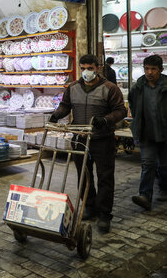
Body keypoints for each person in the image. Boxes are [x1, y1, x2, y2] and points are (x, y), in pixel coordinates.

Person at [49, 54, 126, 232]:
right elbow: (65, 105)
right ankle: (90, 207)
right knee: (84, 175)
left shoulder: (109, 88)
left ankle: (105, 214)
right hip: (80, 138)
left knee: (105, 177)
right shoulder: (73, 87)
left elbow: (120, 110)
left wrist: (106, 120)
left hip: (102, 139)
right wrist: (56, 115)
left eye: (90, 68)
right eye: (83, 68)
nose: (86, 72)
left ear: (97, 68)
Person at [128, 54, 167, 210]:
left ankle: (164, 188)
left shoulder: (165, 86)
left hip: (164, 133)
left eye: (153, 69)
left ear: (161, 70)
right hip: (146, 133)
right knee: (148, 164)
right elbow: (132, 105)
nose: (149, 72)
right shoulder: (138, 87)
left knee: (164, 165)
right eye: (147, 69)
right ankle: (145, 196)